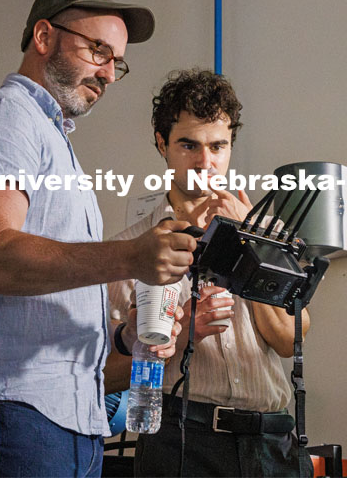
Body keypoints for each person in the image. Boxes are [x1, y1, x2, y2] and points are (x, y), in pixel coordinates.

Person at [0, 0, 195, 478]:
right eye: (98, 50)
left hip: (64, 419)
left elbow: (46, 309)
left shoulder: (52, 141)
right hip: (11, 410)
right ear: (44, 36)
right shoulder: (5, 116)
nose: (110, 73)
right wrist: (130, 258)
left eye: (118, 61)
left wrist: (123, 338)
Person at [107, 69, 314, 477]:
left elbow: (292, 339)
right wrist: (180, 336)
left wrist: (251, 243)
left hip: (272, 439)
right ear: (162, 143)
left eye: (218, 146)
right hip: (180, 437)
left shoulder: (268, 232)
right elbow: (106, 374)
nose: (206, 162)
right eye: (189, 145)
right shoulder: (133, 247)